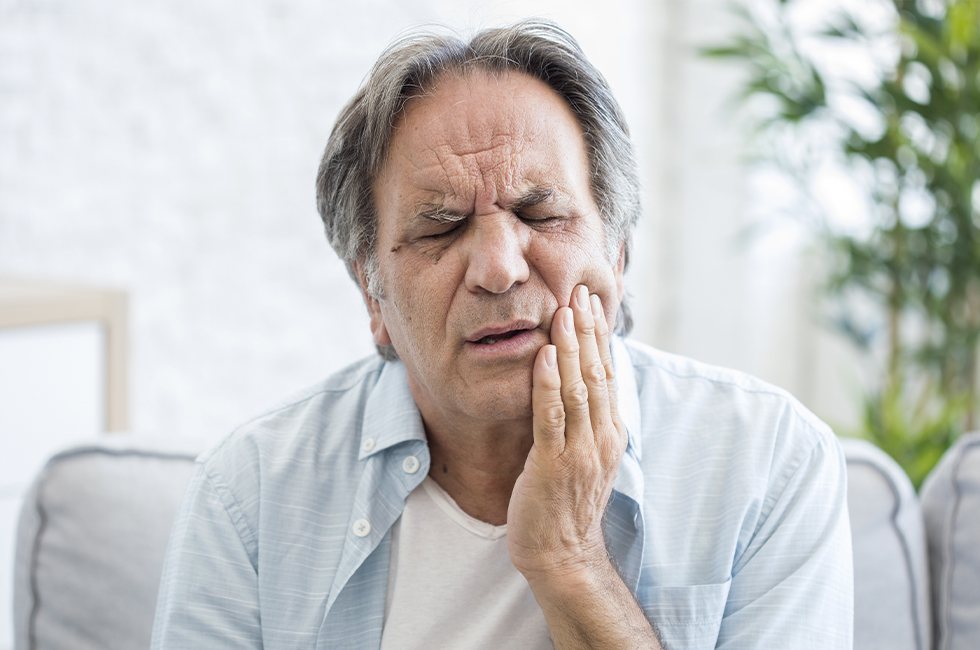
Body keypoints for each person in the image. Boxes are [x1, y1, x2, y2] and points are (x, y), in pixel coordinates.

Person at [151, 20, 853, 649]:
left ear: (616, 255)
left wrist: (571, 559)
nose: (497, 267)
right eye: (441, 227)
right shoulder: (249, 495)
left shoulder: (770, 465)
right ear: (374, 295)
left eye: (541, 214)